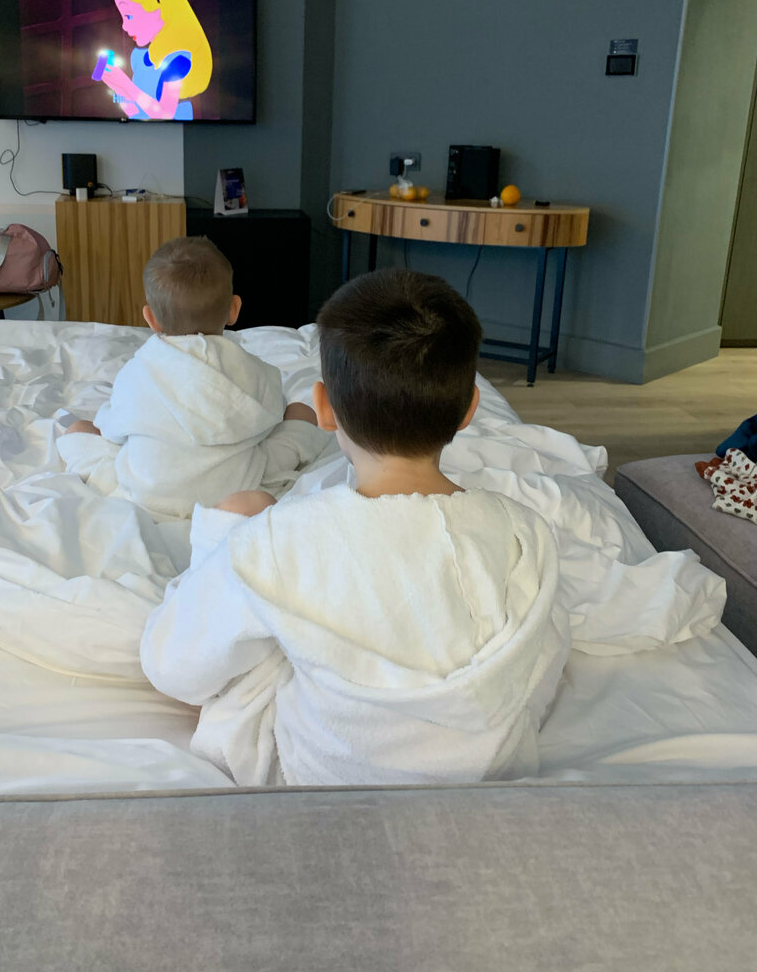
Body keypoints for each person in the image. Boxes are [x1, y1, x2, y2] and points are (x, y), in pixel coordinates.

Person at [140, 269, 571, 786]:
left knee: (244, 519)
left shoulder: (283, 540)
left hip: (322, 777)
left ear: (324, 408)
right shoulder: (526, 533)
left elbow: (174, 667)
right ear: (469, 410)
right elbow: (541, 665)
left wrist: (218, 543)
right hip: (492, 771)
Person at [59, 237, 326, 519]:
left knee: (78, 429)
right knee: (300, 411)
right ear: (234, 309)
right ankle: (229, 509)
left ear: (150, 318)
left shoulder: (137, 370)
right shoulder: (255, 370)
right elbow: (271, 420)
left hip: (147, 494)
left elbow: (112, 430)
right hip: (233, 488)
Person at [97, 0, 212, 121]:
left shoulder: (178, 61)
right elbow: (134, 111)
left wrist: (125, 84)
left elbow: (165, 114)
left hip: (177, 133)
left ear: (160, 9)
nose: (124, 26)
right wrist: (117, 86)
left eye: (129, 16)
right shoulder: (139, 58)